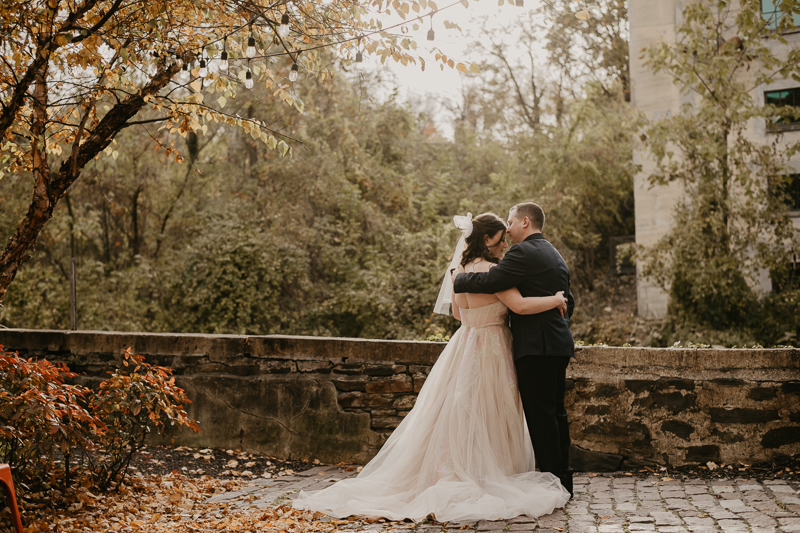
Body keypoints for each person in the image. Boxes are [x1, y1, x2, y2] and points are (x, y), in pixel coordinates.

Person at [293, 213, 571, 522]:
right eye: (501, 238)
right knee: (492, 412)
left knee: (459, 413)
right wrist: (554, 299)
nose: (505, 243)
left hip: (464, 345)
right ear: (488, 240)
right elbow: (518, 306)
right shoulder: (494, 271)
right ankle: (493, 473)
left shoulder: (458, 270)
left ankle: (449, 470)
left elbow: (456, 312)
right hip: (493, 348)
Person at [453, 202, 576, 497]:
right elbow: (568, 298)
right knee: (555, 413)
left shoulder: (521, 252)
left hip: (534, 347)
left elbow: (494, 282)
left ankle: (552, 481)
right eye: (502, 228)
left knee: (540, 416)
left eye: (510, 223)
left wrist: (458, 279)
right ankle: (562, 478)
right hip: (558, 343)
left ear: (524, 222)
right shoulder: (554, 253)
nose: (507, 231)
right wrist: (557, 305)